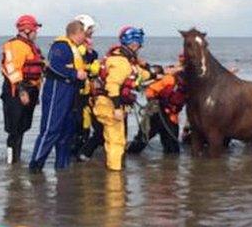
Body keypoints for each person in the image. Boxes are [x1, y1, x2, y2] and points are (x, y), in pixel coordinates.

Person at [28, 20, 88, 172]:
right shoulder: (61, 46)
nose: (85, 37)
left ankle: (62, 165)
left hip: (71, 92)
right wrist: (74, 73)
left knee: (67, 131)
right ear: (77, 33)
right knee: (51, 129)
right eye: (84, 33)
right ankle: (35, 166)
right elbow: (54, 65)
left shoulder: (76, 49)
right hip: (57, 90)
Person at [91, 26, 149, 171]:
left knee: (115, 140)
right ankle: (115, 178)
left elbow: (144, 74)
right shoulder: (121, 62)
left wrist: (162, 73)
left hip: (107, 104)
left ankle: (114, 171)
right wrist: (117, 108)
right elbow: (113, 86)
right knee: (116, 142)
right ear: (135, 43)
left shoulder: (122, 60)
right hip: (109, 105)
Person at [0, 14, 44, 164]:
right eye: (35, 30)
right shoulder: (16, 46)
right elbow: (12, 69)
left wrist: (35, 94)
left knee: (23, 127)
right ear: (26, 29)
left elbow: (38, 70)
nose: (36, 33)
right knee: (14, 130)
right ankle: (12, 163)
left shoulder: (30, 47)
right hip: (16, 92)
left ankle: (16, 160)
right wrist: (22, 91)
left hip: (30, 90)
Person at [127, 63, 185, 155]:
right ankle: (172, 167)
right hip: (172, 116)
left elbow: (149, 93)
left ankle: (128, 157)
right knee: (172, 147)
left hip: (156, 113)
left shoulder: (167, 79)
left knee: (142, 138)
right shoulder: (186, 82)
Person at [71, 14, 99, 158]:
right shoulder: (76, 49)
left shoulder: (89, 50)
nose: (92, 33)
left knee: (86, 123)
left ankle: (81, 152)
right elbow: (85, 67)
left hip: (87, 92)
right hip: (78, 93)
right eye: (90, 30)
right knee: (78, 124)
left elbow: (95, 68)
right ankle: (76, 153)